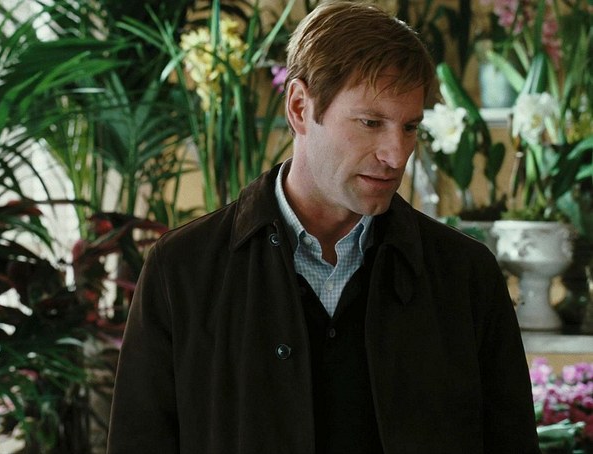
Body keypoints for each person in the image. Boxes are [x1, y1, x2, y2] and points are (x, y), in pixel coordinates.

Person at [107, 1, 539, 453]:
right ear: (299, 107)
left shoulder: (465, 276)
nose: (396, 155)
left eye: (410, 127)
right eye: (370, 123)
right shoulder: (181, 271)